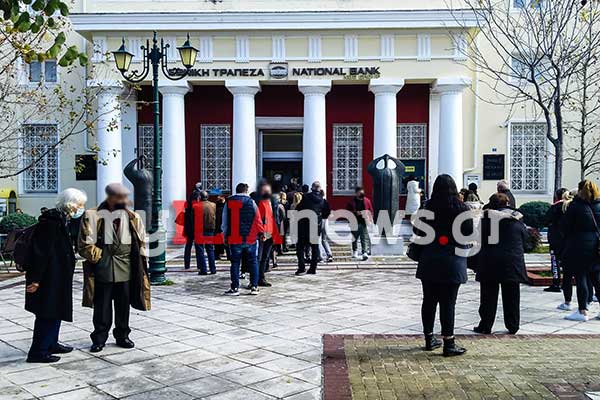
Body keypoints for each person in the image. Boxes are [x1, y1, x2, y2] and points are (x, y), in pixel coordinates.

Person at [78, 183, 151, 353]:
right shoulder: (92, 215)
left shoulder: (132, 217)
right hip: (103, 268)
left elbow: (141, 240)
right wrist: (100, 257)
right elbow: (84, 244)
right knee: (101, 306)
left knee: (123, 305)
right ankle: (99, 337)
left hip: (126, 267)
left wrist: (140, 261)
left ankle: (122, 335)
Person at [25, 189, 87, 363]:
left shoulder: (61, 220)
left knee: (55, 311)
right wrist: (35, 280)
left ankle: (51, 343)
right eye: (80, 205)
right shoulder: (50, 223)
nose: (81, 208)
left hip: (57, 276)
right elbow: (40, 253)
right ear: (71, 204)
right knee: (47, 313)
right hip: (48, 278)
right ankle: (38, 352)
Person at [414, 174, 473, 357]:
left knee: (429, 300)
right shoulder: (462, 208)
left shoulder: (427, 207)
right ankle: (449, 342)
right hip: (452, 260)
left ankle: (429, 338)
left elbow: (417, 230)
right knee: (448, 303)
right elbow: (468, 232)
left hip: (430, 258)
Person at [473, 193, 529, 334]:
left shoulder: (487, 219)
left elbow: (478, 237)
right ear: (507, 203)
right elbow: (525, 237)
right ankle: (513, 325)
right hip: (512, 261)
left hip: (490, 261)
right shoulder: (516, 219)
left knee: (488, 296)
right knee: (512, 296)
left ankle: (485, 325)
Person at [561, 180, 600, 321]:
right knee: (596, 278)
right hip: (597, 245)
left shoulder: (576, 206)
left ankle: (582, 311)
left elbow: (566, 227)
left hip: (579, 245)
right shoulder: (598, 205)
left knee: (581, 276)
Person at [221, 183, 261, 295]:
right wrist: (261, 232)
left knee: (235, 262)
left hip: (235, 237)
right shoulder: (252, 202)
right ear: (246, 191)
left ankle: (235, 288)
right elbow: (257, 219)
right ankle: (254, 286)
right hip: (250, 237)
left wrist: (225, 235)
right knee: (253, 261)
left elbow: (225, 221)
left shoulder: (229, 202)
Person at [295, 181, 328, 275]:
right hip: (316, 227)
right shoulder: (322, 200)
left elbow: (298, 209)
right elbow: (326, 213)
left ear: (312, 188)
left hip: (304, 226)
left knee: (300, 247)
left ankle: (302, 268)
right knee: (315, 248)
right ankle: (313, 268)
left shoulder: (306, 197)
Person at [255, 183, 280, 287]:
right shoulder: (260, 202)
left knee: (265, 257)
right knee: (259, 257)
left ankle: (261, 277)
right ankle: (256, 279)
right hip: (263, 233)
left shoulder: (272, 202)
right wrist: (262, 232)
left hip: (271, 232)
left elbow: (275, 218)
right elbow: (260, 219)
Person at [544, 188, 569, 293]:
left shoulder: (555, 207)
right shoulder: (571, 206)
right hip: (568, 238)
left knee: (555, 261)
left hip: (555, 238)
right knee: (567, 262)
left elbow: (546, 220)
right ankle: (566, 283)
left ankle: (556, 283)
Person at [557, 190, 577, 310]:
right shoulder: (587, 209)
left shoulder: (565, 211)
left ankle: (568, 302)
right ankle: (587, 302)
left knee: (568, 276)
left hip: (568, 247)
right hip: (582, 246)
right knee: (585, 277)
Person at [346, 186, 373, 261]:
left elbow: (371, 210)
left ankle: (364, 252)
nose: (361, 194)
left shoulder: (367, 201)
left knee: (363, 237)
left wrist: (369, 217)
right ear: (356, 193)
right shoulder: (351, 202)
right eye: (360, 193)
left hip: (363, 222)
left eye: (362, 193)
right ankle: (355, 251)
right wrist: (355, 213)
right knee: (354, 238)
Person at [194, 191, 217, 275]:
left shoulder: (196, 205)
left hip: (199, 229)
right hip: (210, 229)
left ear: (200, 197)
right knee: (210, 249)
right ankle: (213, 269)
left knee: (200, 250)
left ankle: (203, 269)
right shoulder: (213, 205)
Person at [183, 187, 203, 270]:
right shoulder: (198, 207)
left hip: (189, 229)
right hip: (196, 229)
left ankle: (187, 264)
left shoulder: (187, 207)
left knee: (188, 246)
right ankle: (199, 264)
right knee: (199, 247)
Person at [319, 189, 333, 263]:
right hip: (325, 221)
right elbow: (329, 212)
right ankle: (329, 254)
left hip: (319, 221)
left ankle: (320, 257)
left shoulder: (317, 202)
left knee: (318, 240)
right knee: (324, 239)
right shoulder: (325, 202)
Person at [214, 195, 227, 260]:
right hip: (224, 227)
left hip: (216, 227)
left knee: (217, 243)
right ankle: (229, 255)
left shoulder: (215, 209)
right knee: (226, 243)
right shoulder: (226, 209)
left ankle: (217, 255)